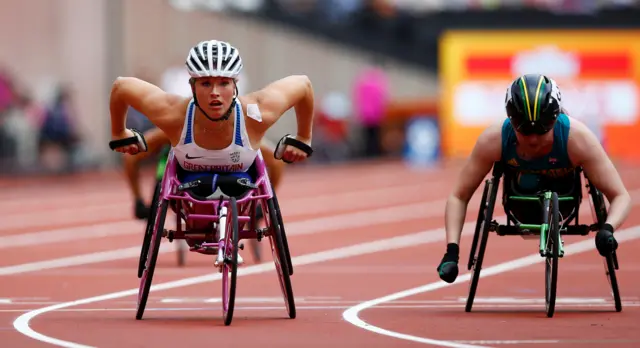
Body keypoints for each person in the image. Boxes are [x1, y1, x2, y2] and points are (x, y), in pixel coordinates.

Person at [110, 39, 314, 265]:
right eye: (206, 84)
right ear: (192, 86)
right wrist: (120, 134)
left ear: (235, 85)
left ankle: (249, 212)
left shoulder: (256, 114)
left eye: (224, 83)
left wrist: (303, 138)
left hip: (242, 184)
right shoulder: (174, 115)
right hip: (189, 188)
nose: (215, 93)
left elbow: (303, 85)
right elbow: (121, 86)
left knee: (269, 158)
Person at [437, 73, 630, 284]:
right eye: (524, 131)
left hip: (565, 204)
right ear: (511, 121)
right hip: (519, 205)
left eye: (542, 130)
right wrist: (451, 251)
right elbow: (459, 195)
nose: (533, 139)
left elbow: (621, 196)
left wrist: (607, 228)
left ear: (555, 119)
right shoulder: (494, 140)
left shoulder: (578, 139)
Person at [122, 126, 286, 262]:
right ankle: (201, 227)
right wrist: (138, 199)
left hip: (225, 183)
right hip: (179, 185)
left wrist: (260, 205)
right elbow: (132, 158)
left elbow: (275, 162)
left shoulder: (238, 129)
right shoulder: (175, 127)